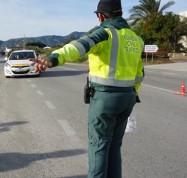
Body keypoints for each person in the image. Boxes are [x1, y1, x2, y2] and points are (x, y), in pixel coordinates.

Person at [30, 0, 144, 177]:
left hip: (105, 99)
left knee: (98, 147)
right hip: (128, 98)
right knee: (114, 147)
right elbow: (139, 73)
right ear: (120, 13)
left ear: (101, 16)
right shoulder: (136, 39)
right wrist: (132, 92)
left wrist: (52, 58)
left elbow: (77, 47)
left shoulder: (105, 33)